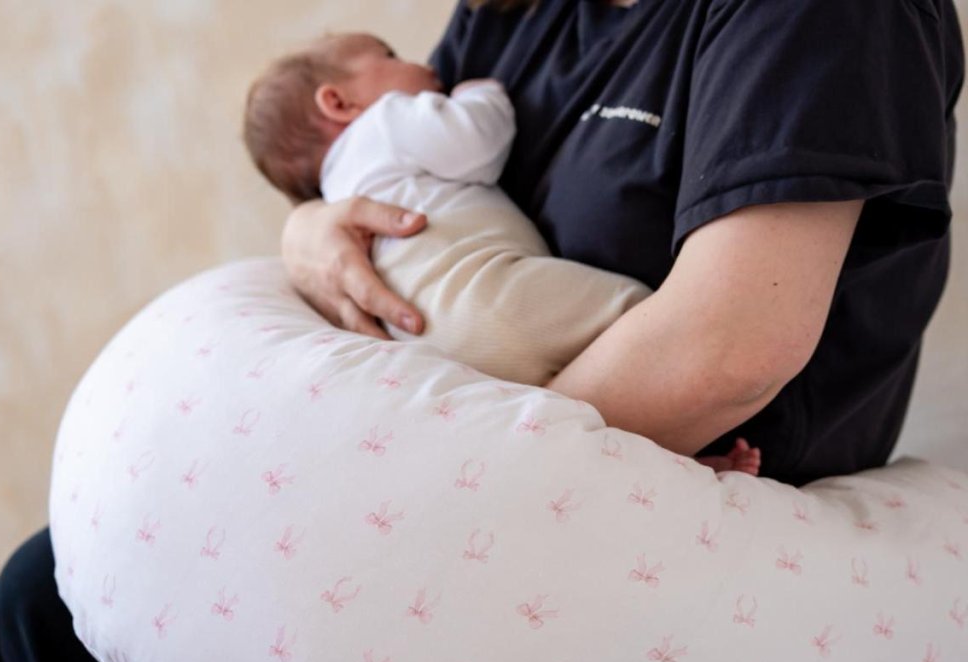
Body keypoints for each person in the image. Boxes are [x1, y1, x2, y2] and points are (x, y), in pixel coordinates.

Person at [0, 1, 963, 662]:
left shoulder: (818, 20)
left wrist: (464, 479)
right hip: (479, 461)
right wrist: (312, 227)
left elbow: (725, 352)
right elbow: (394, 172)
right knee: (42, 609)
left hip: (674, 524)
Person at [243, 31, 759, 471]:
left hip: (434, 344)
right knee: (648, 321)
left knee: (567, 406)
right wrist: (482, 94)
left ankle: (681, 467)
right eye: (390, 56)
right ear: (337, 103)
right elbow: (476, 144)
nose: (424, 64)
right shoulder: (386, 122)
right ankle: (691, 451)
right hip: (485, 294)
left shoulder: (340, 192)